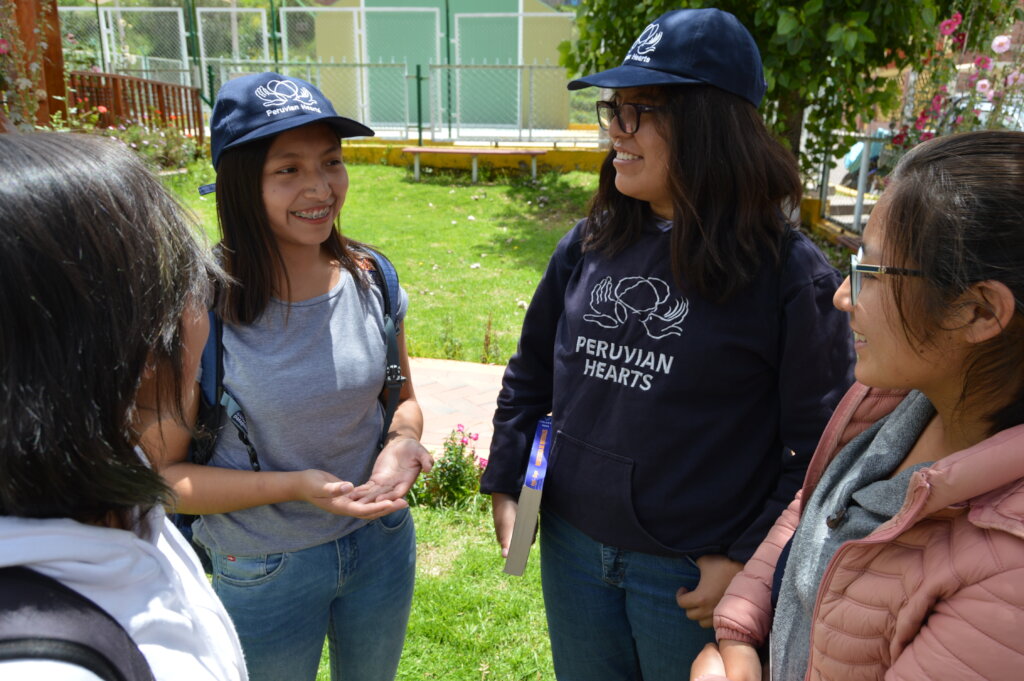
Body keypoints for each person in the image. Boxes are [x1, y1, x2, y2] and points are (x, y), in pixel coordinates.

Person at [480, 8, 854, 680]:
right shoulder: (590, 241)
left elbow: (820, 443)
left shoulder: (789, 276)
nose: (615, 132)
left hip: (687, 579)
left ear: (708, 124)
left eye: (637, 112)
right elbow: (535, 375)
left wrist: (746, 560)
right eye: (612, 110)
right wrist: (514, 483)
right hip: (573, 553)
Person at [695, 130, 1024, 681]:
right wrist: (738, 634)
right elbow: (814, 506)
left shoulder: (1007, 572)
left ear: (979, 312)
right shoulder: (893, 403)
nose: (843, 295)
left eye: (871, 272)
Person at [146, 72, 433, 681]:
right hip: (263, 566)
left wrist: (402, 444)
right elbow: (165, 479)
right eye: (289, 169)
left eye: (330, 162)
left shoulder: (371, 277)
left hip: (381, 543)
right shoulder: (198, 305)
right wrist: (296, 485)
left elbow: (401, 399)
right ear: (242, 182)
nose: (320, 187)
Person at [0, 132, 247, 680]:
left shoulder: (119, 494)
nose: (200, 313)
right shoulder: (43, 667)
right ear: (130, 352)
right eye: (190, 292)